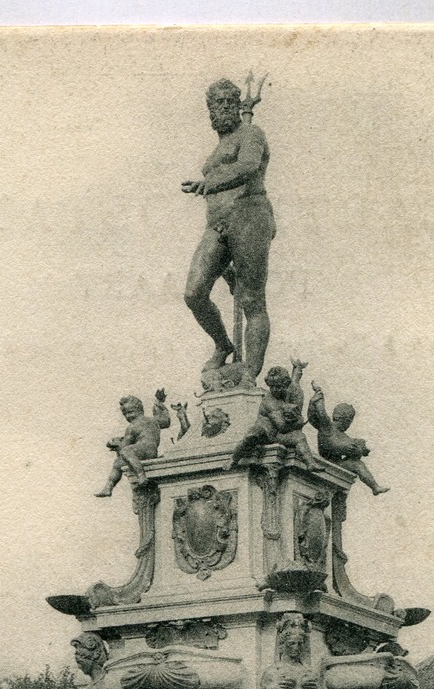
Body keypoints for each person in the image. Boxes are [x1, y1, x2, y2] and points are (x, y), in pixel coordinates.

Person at [183, 78, 274, 388]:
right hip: (218, 225)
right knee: (194, 293)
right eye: (213, 106)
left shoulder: (251, 134)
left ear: (236, 108)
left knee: (252, 300)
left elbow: (249, 167)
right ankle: (223, 344)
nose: (217, 111)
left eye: (224, 104)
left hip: (249, 216)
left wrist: (212, 183)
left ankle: (250, 372)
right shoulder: (220, 146)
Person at [308, 381, 389, 495]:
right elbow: (318, 414)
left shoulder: (344, 436)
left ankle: (375, 487)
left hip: (337, 465)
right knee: (357, 464)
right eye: (350, 421)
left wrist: (361, 450)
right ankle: (375, 487)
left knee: (357, 463)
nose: (349, 424)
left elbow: (358, 449)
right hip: (326, 464)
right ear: (346, 419)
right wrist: (317, 396)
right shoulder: (328, 427)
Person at [229, 359, 313, 469]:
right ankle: (234, 458)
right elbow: (282, 425)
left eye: (278, 387)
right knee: (252, 435)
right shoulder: (269, 400)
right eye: (271, 387)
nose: (274, 390)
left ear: (286, 385)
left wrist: (297, 420)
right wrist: (299, 422)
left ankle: (310, 463)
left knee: (300, 437)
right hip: (265, 431)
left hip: (279, 435)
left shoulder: (293, 391)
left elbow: (296, 413)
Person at [95, 390, 172, 497]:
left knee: (125, 451)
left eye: (130, 412)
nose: (128, 416)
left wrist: (116, 444)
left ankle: (141, 475)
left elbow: (124, 448)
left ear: (140, 410)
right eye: (125, 414)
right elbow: (166, 421)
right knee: (117, 463)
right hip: (149, 451)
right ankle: (108, 487)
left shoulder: (131, 427)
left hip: (143, 450)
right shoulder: (153, 420)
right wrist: (159, 403)